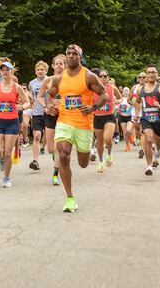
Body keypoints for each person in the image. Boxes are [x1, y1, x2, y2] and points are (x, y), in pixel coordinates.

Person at [45, 44, 107, 212]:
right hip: (64, 121)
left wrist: (93, 107)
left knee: (83, 163)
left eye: (74, 54)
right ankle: (69, 197)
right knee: (63, 154)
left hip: (84, 125)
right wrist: (50, 106)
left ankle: (90, 152)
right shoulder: (59, 78)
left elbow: (104, 95)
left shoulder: (89, 76)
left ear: (80, 57)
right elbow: (49, 95)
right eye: (68, 54)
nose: (71, 56)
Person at [0, 60, 29, 187]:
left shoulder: (17, 87)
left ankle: (6, 177)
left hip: (12, 122)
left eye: (7, 70)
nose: (5, 72)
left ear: (11, 72)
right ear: (0, 72)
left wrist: (21, 106)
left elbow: (27, 102)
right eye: (3, 70)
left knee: (7, 152)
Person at [136, 65, 160, 176]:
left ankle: (158, 151)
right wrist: (137, 113)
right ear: (146, 75)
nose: (151, 74)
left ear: (157, 74)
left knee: (158, 142)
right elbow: (137, 101)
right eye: (149, 72)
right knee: (149, 140)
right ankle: (149, 166)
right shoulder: (140, 89)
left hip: (159, 120)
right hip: (145, 119)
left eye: (153, 72)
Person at [38, 54, 66, 185]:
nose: (59, 65)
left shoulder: (68, 80)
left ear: (65, 65)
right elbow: (39, 97)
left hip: (63, 116)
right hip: (49, 114)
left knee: (59, 146)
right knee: (50, 149)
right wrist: (46, 107)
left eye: (62, 63)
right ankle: (56, 158)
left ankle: (56, 173)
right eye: (57, 63)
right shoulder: (48, 81)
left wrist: (62, 108)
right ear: (53, 66)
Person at [93, 69, 121, 173]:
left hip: (109, 116)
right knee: (100, 141)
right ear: (98, 78)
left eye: (105, 76)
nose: (103, 78)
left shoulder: (112, 88)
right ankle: (100, 161)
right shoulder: (93, 89)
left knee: (107, 138)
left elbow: (120, 98)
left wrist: (116, 101)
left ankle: (109, 153)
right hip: (97, 117)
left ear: (108, 77)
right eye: (101, 76)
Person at [28, 61, 49, 171]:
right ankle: (35, 161)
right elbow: (31, 95)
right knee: (36, 135)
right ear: (35, 71)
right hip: (37, 112)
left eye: (42, 69)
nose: (40, 71)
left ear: (46, 71)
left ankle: (56, 154)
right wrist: (30, 97)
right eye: (38, 69)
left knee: (50, 136)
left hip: (49, 111)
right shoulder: (32, 83)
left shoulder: (51, 81)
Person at [117, 87, 134, 151]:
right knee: (125, 132)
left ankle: (130, 137)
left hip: (129, 116)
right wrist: (118, 109)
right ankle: (127, 146)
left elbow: (134, 106)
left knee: (128, 130)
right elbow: (117, 107)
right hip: (122, 117)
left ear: (129, 92)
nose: (126, 92)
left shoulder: (130, 99)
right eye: (124, 91)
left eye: (127, 91)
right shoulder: (121, 99)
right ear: (122, 92)